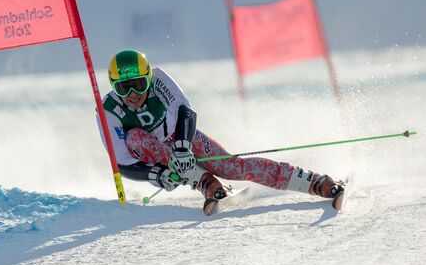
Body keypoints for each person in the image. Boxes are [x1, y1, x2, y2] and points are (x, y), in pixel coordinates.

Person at [97, 49, 345, 215]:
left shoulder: (159, 80)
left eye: (138, 84)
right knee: (135, 137)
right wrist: (157, 175)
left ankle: (314, 182)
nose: (132, 95)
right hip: (159, 158)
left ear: (148, 78)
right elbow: (122, 161)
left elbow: (184, 110)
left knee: (232, 167)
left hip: (183, 138)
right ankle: (203, 181)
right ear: (113, 87)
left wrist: (182, 146)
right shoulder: (108, 109)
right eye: (123, 88)